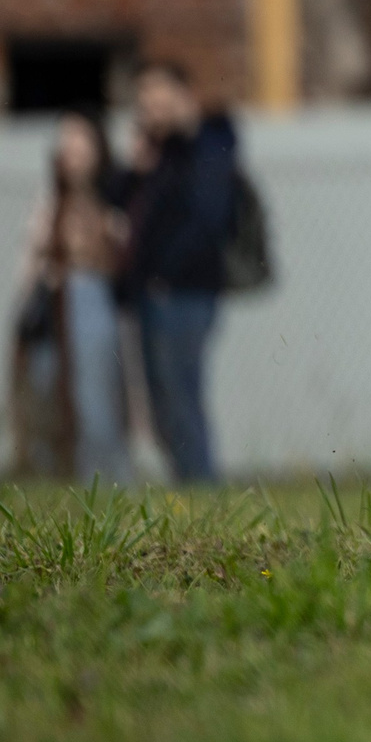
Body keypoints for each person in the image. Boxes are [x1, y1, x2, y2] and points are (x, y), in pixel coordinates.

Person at [118, 59, 244, 483]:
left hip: (185, 291)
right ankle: (186, 486)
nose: (150, 111)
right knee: (160, 399)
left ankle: (201, 489)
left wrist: (166, 273)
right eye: (144, 103)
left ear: (182, 97)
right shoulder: (158, 154)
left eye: (158, 100)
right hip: (154, 292)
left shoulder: (207, 143)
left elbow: (208, 218)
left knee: (180, 394)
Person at [8, 110, 133, 483]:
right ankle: (52, 484)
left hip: (91, 303)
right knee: (44, 392)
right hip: (50, 307)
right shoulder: (49, 203)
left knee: (95, 401)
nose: (71, 152)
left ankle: (104, 484)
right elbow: (30, 263)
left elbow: (118, 258)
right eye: (66, 144)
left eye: (80, 143)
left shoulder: (112, 201)